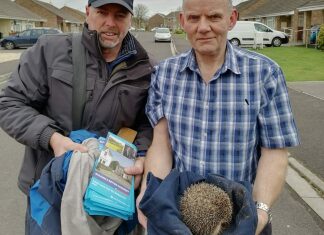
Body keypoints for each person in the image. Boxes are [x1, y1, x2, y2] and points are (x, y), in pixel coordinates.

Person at [137, 0, 300, 234]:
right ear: (183, 22)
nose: (203, 27)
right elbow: (162, 144)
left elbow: (274, 152)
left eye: (214, 17)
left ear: (231, 19)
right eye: (194, 18)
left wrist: (261, 212)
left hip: (242, 218)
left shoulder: (265, 74)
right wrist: (149, 194)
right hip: (182, 215)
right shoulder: (165, 75)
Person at [0, 0, 153, 233]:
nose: (110, 23)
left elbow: (147, 124)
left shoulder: (146, 68)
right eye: (102, 12)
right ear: (88, 12)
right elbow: (10, 103)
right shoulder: (49, 51)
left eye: (120, 15)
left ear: (131, 19)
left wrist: (141, 155)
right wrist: (51, 137)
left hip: (110, 197)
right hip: (51, 191)